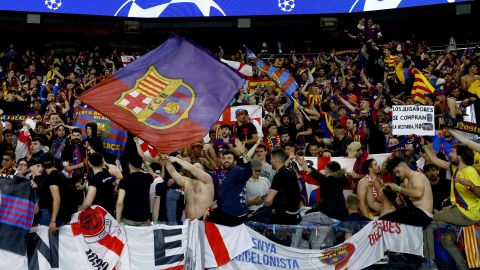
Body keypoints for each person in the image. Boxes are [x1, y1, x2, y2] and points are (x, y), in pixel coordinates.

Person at [205, 138, 256, 226]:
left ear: (235, 161)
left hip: (233, 215)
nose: (226, 160)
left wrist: (243, 153)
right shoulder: (228, 174)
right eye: (224, 158)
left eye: (229, 158)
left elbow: (248, 172)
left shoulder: (237, 171)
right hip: (230, 213)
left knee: (202, 217)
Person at [249, 149, 301, 225]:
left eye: (271, 159)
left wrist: (263, 201)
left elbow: (268, 201)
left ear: (275, 160)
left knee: (250, 219)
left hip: (285, 217)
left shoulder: (279, 175)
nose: (270, 161)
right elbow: (299, 188)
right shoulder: (290, 172)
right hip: (296, 216)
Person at [164, 155, 214, 220]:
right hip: (188, 222)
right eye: (194, 166)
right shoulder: (187, 182)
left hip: (204, 221)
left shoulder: (208, 179)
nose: (195, 169)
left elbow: (192, 169)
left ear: (203, 171)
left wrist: (177, 160)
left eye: (198, 167)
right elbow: (173, 172)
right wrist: (167, 160)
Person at [40, 152, 76, 231]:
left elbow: (56, 198)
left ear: (42, 165)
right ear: (54, 161)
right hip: (62, 215)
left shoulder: (51, 177)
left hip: (54, 216)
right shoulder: (59, 174)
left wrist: (53, 220)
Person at [116, 154, 153, 226]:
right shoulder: (147, 177)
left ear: (129, 164)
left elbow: (119, 202)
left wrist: (118, 221)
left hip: (129, 219)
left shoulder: (124, 181)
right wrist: (145, 162)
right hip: (144, 219)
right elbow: (152, 174)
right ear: (141, 164)